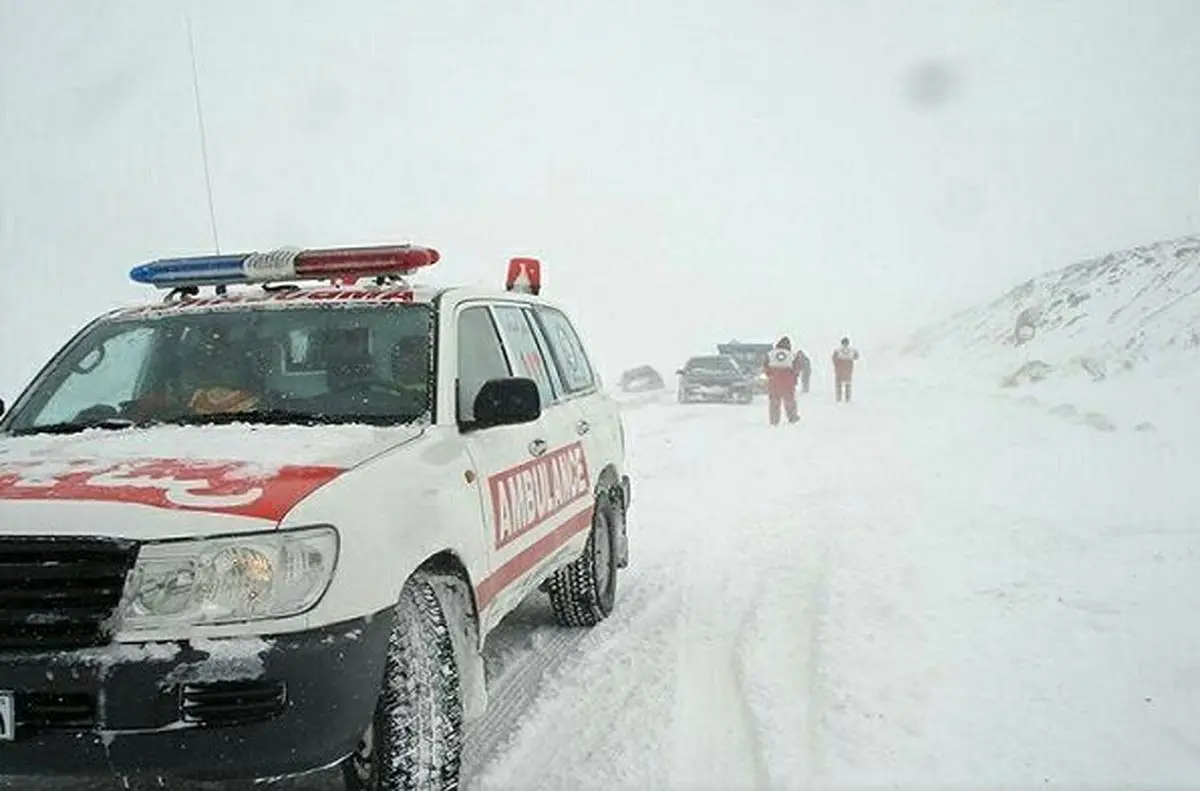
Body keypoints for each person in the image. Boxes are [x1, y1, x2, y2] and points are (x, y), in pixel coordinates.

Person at [763, 335, 802, 425]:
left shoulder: (770, 354)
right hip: (788, 382)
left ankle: (774, 421)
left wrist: (770, 375)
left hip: (773, 382)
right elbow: (797, 368)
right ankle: (792, 418)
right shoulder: (792, 355)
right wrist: (794, 378)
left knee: (774, 402)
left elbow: (765, 367)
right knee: (789, 401)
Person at [832, 336, 860, 402]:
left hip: (839, 370)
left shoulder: (837, 350)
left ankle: (839, 399)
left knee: (839, 384)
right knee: (848, 384)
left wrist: (836, 366)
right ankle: (847, 399)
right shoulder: (852, 350)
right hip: (848, 370)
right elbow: (856, 356)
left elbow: (833, 359)